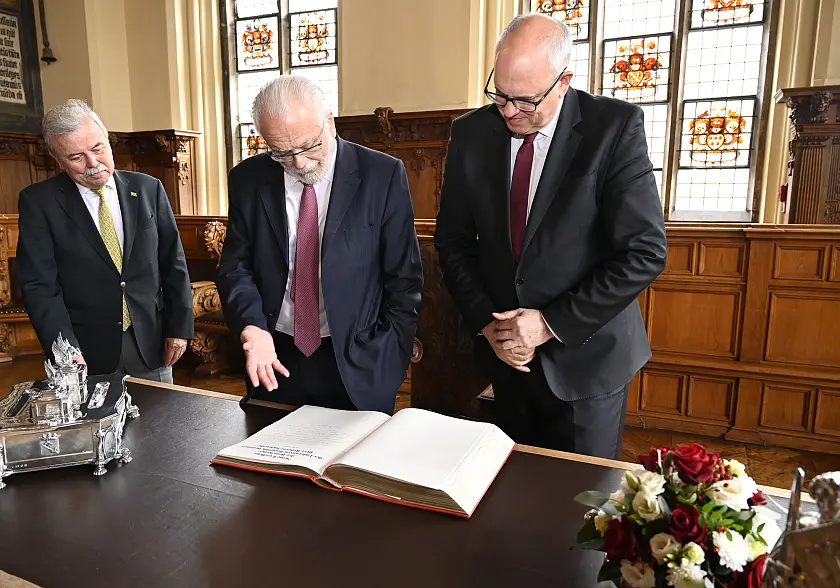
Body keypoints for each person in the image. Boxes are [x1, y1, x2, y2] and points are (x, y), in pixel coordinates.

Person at [434, 14, 667, 459]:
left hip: (587, 363)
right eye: (499, 95)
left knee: (582, 506)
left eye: (524, 101)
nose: (508, 112)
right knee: (511, 500)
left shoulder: (613, 128)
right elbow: (453, 241)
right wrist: (489, 323)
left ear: (563, 82)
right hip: (507, 360)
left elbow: (644, 252)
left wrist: (547, 323)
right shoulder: (471, 132)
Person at [216, 75, 422, 414]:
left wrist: (391, 356)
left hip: (359, 359)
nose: (299, 162)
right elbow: (236, 267)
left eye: (309, 145)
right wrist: (253, 330)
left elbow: (404, 277)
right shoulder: (248, 179)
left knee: (353, 466)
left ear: (329, 121)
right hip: (275, 355)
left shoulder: (381, 174)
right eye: (281, 152)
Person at [17, 99, 193, 383]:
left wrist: (179, 327)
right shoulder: (39, 203)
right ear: (57, 159)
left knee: (161, 424)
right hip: (84, 352)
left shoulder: (148, 188)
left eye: (97, 148)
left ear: (107, 141)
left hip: (151, 342)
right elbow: (39, 286)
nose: (92, 163)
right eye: (76, 157)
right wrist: (65, 350)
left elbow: (174, 263)